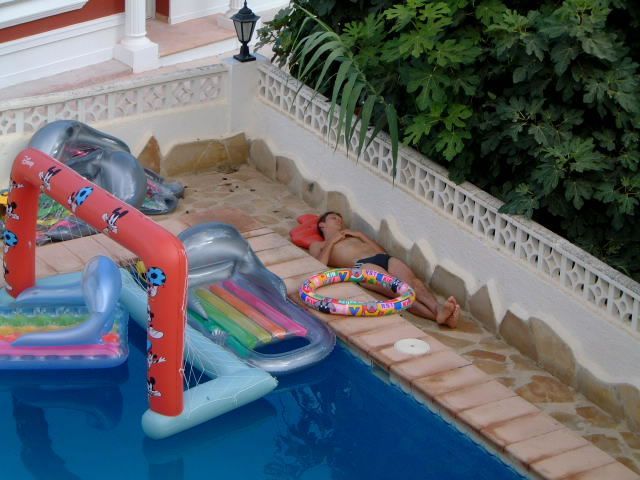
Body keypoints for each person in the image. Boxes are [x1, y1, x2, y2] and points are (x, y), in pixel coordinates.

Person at [309, 212, 459, 328]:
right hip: (362, 266)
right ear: (322, 225)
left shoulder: (352, 235)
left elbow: (382, 251)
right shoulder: (318, 245)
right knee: (400, 292)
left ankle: (439, 309)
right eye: (334, 218)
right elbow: (319, 267)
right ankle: (439, 318)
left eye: (340, 219)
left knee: (415, 284)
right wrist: (332, 242)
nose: (339, 220)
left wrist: (360, 235)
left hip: (384, 258)